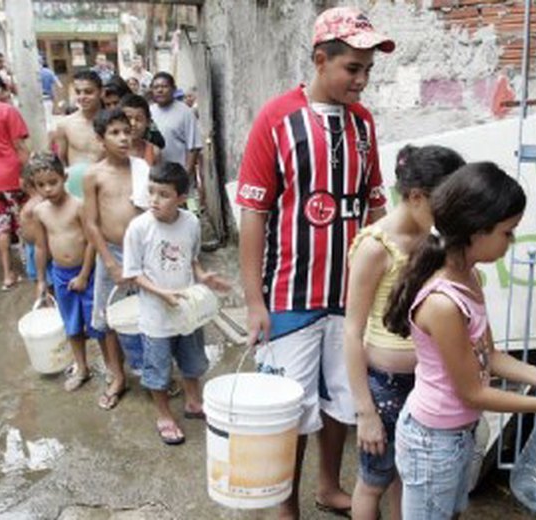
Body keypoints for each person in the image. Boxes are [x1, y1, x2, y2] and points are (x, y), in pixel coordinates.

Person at [237, 6, 395, 517]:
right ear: (320, 60)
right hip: (289, 297)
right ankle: (287, 506)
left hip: (350, 298)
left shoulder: (364, 125)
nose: (363, 80)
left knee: (341, 405)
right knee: (289, 411)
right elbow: (254, 214)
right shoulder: (275, 119)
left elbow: (376, 205)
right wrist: (254, 301)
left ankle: (329, 487)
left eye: (369, 69)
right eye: (353, 68)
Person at [382, 162, 536, 519]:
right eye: (507, 232)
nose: (511, 242)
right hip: (433, 442)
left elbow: (491, 357)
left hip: (460, 434)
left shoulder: (469, 276)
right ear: (477, 231)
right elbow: (474, 392)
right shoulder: (443, 303)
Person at [344, 145, 465, 520]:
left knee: (409, 477)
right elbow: (351, 332)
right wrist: (365, 411)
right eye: (444, 205)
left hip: (428, 383)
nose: (450, 216)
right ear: (415, 197)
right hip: (385, 388)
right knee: (374, 480)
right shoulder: (375, 247)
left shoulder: (436, 241)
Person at [122, 162, 228, 445]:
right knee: (158, 370)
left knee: (192, 362)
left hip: (187, 310)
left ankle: (194, 403)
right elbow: (132, 273)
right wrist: (161, 293)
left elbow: (191, 259)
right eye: (151, 192)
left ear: (181, 197)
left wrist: (204, 277)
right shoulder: (139, 228)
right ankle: (164, 416)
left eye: (164, 194)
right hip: (156, 316)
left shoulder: (191, 222)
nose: (154, 200)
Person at [83, 108, 150, 410]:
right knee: (109, 320)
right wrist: (110, 261)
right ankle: (118, 375)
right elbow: (91, 224)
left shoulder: (142, 168)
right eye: (114, 133)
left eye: (127, 130)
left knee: (148, 314)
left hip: (143, 253)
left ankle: (153, 372)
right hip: (112, 253)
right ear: (100, 139)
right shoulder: (94, 175)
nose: (124, 137)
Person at [30, 153, 102, 392]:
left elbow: (92, 241)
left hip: (87, 273)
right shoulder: (40, 212)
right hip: (60, 274)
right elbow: (40, 247)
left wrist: (83, 274)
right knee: (71, 325)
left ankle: (112, 368)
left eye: (53, 182)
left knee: (98, 324)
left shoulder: (79, 206)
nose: (48, 189)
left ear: (65, 177)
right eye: (41, 185)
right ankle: (82, 368)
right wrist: (42, 280)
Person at [0, 65, 29, 290]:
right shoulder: (6, 110)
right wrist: (30, 173)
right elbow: (19, 146)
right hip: (13, 176)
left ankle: (7, 275)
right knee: (23, 223)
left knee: (1, 228)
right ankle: (30, 267)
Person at [52, 69, 105, 199]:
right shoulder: (65, 125)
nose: (82, 97)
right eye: (78, 92)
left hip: (106, 188)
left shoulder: (113, 124)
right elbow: (61, 162)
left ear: (101, 92)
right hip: (77, 190)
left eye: (88, 92)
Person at [149, 72, 201, 182]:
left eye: (164, 86)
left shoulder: (185, 112)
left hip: (178, 175)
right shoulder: (149, 112)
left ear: (174, 89)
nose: (160, 90)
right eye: (156, 87)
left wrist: (186, 174)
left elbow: (193, 147)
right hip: (155, 175)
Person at [18, 171, 50, 286]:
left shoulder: (35, 203)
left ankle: (42, 302)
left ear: (26, 184)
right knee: (43, 281)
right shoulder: (39, 201)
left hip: (38, 248)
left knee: (42, 283)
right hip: (34, 247)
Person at [121, 94, 161, 166]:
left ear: (148, 122)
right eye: (128, 118)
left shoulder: (154, 152)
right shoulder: (110, 150)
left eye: (138, 119)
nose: (133, 123)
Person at [39, 58, 62, 131]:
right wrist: (57, 102)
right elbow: (59, 85)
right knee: (49, 121)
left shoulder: (29, 73)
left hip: (34, 101)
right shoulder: (49, 72)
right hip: (47, 99)